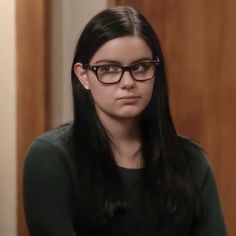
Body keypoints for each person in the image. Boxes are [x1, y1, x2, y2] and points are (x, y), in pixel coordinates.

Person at [23, 6, 227, 236]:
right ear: (83, 76)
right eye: (109, 69)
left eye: (140, 67)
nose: (128, 81)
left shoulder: (192, 161)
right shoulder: (51, 158)